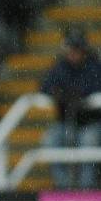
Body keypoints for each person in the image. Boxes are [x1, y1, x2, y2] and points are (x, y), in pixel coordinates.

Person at [40, 28, 101, 189]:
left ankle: (86, 188)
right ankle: (64, 186)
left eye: (77, 49)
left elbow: (95, 88)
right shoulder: (60, 66)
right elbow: (45, 87)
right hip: (64, 121)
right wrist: (60, 94)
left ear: (84, 50)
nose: (74, 53)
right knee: (49, 141)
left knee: (89, 143)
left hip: (89, 121)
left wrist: (78, 95)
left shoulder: (94, 66)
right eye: (71, 49)